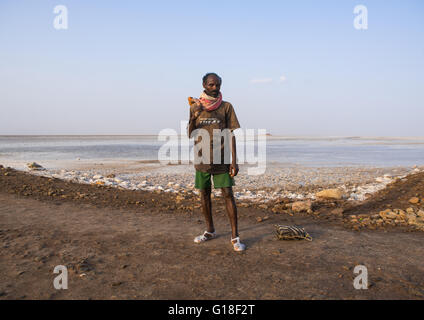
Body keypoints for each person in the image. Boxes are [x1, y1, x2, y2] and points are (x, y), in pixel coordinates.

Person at [187, 73, 246, 252]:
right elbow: (190, 133)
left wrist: (234, 161)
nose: (215, 88)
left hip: (222, 159)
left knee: (228, 194)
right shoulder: (195, 106)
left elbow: (231, 134)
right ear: (204, 84)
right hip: (202, 158)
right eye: (211, 85)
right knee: (204, 195)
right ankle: (210, 230)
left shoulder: (226, 107)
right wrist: (194, 115)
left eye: (218, 85)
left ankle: (235, 237)